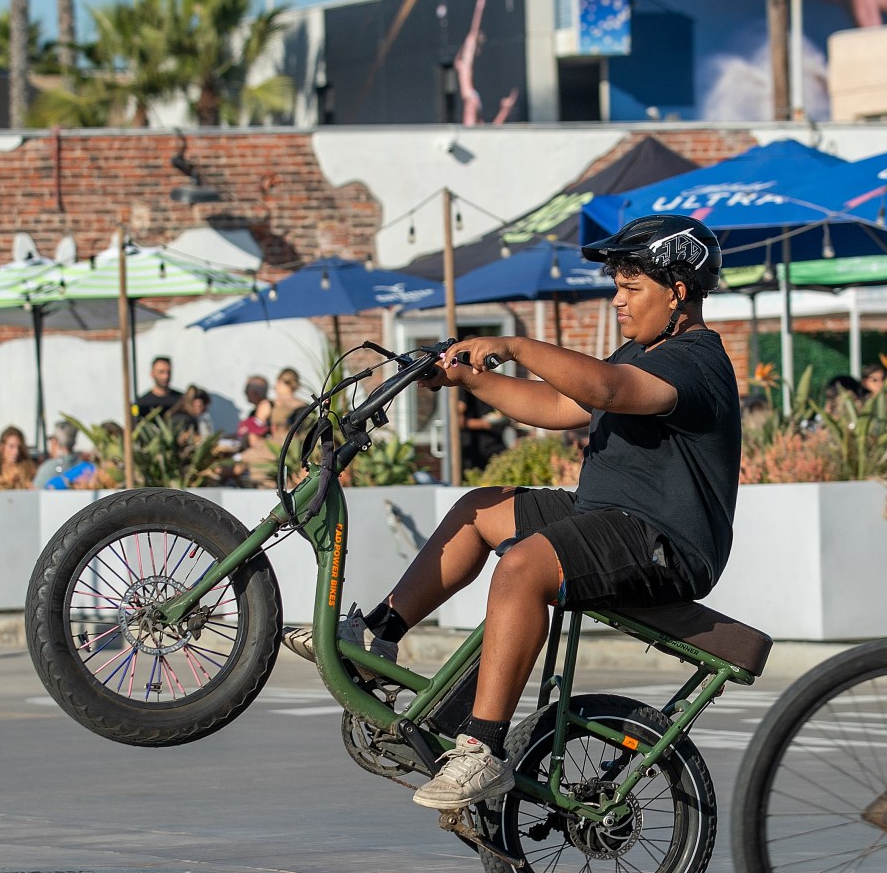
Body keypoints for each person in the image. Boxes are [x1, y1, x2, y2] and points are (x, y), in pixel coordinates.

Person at [282, 215, 740, 811]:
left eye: (632, 289)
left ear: (678, 291)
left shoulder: (694, 361)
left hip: (664, 542)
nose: (618, 300)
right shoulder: (639, 352)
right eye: (617, 286)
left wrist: (515, 344)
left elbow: (605, 391)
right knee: (480, 510)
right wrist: (470, 379)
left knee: (523, 567)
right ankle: (378, 638)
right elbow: (557, 403)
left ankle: (482, 751)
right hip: (608, 516)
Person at [459, 388, 510, 473]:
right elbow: (457, 420)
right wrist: (484, 423)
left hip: (493, 443)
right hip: (479, 450)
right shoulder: (459, 389)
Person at [32, 421, 89, 489]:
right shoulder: (88, 467)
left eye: (51, 438)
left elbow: (35, 491)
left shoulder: (48, 468)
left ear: (55, 441)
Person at [132, 357, 182, 423]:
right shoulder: (139, 403)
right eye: (161, 372)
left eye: (168, 372)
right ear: (152, 374)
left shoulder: (181, 400)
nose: (165, 376)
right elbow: (133, 425)